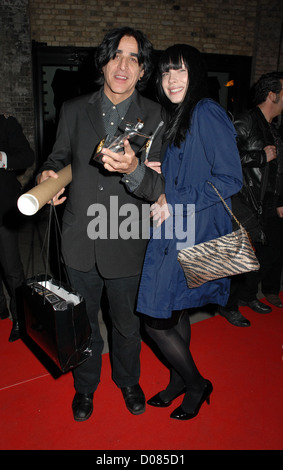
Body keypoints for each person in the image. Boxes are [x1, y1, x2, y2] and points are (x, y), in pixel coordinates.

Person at [37, 27, 165, 421]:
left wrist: (134, 170)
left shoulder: (157, 116)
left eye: (132, 58)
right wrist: (47, 175)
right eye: (116, 56)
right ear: (104, 62)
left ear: (142, 70)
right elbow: (58, 157)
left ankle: (128, 381)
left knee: (126, 325)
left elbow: (159, 186)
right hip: (78, 241)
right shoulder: (74, 108)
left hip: (126, 240)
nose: (122, 65)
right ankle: (85, 388)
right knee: (83, 323)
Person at [136, 44, 242, 420]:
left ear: (195, 74)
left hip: (192, 228)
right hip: (175, 226)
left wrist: (174, 197)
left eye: (180, 71)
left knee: (154, 318)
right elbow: (191, 167)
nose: (172, 79)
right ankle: (180, 380)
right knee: (174, 308)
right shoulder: (178, 114)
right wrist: (163, 172)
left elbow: (230, 178)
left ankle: (196, 382)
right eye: (166, 73)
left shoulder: (207, 111)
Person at [218, 72, 283, 327]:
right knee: (239, 257)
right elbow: (224, 157)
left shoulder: (272, 127)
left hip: (266, 199)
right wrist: (258, 157)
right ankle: (228, 305)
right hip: (244, 199)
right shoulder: (245, 121)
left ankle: (247, 296)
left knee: (265, 255)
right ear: (272, 94)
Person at [0, 112, 35, 341]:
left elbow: (26, 157)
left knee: (11, 267)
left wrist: (2, 158)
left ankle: (21, 319)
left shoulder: (5, 123)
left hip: (2, 208)